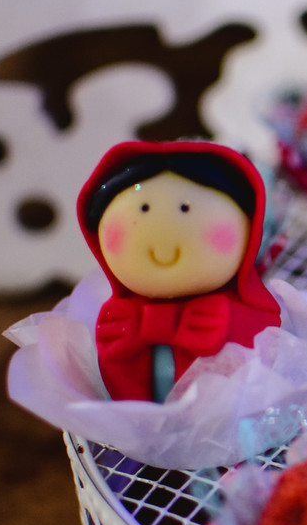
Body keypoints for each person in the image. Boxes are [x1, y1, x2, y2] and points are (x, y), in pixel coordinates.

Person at [78, 140, 281, 402]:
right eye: (144, 208)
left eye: (186, 209)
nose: (162, 238)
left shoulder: (253, 316)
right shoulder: (115, 319)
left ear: (248, 232)